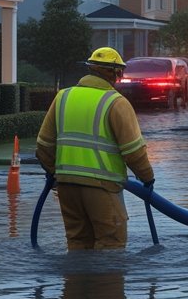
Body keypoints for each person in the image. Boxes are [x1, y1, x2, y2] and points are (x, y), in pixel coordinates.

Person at [36, 47, 155, 250]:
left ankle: (75, 282)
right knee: (111, 245)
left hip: (67, 187)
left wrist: (56, 174)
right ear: (113, 72)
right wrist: (147, 178)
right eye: (120, 73)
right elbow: (133, 152)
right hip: (103, 186)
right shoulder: (116, 103)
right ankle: (106, 283)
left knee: (77, 242)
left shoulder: (63, 97)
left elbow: (43, 147)